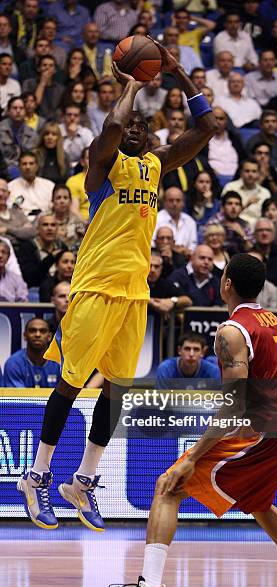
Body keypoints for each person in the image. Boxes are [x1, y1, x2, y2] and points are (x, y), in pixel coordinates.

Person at [17, 42, 218, 531]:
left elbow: (207, 128)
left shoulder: (155, 166)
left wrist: (178, 73)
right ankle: (36, 475)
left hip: (133, 294)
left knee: (118, 391)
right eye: (130, 123)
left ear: (149, 135)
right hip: (93, 288)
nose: (133, 128)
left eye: (141, 126)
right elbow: (109, 128)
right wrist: (133, 82)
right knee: (70, 383)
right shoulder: (101, 170)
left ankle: (82, 482)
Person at [100, 253, 277, 587]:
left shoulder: (232, 331)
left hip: (265, 431)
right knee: (258, 502)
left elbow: (233, 406)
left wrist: (192, 457)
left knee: (168, 485)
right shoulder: (274, 321)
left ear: (226, 284)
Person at [4, 317, 60, 388]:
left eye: (42, 331)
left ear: (49, 337)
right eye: (32, 331)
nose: (37, 335)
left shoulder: (59, 362)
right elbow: (18, 397)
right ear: (25, 336)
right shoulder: (14, 363)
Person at [16, 213, 68, 288]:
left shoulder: (62, 247)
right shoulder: (27, 247)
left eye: (53, 225)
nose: (49, 228)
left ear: (57, 229)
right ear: (37, 229)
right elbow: (30, 277)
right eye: (45, 225)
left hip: (62, 288)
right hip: (35, 289)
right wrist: (51, 257)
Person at [156, 332, 221, 390]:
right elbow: (162, 400)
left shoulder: (213, 371)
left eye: (196, 349)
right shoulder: (166, 369)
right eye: (187, 349)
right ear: (179, 350)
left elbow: (218, 400)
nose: (191, 354)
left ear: (202, 352)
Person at [222, 159, 271, 230]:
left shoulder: (265, 192)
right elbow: (223, 213)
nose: (250, 174)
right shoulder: (230, 187)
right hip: (233, 227)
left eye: (254, 171)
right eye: (247, 171)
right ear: (241, 172)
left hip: (258, 230)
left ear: (258, 174)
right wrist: (246, 205)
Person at [8, 151, 55, 221]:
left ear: (37, 166)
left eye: (31, 164)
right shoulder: (10, 187)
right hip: (21, 225)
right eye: (24, 164)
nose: (28, 167)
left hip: (46, 223)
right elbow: (10, 211)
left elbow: (55, 208)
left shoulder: (49, 185)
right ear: (19, 167)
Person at [0, 96, 39, 177]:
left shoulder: (32, 134)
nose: (18, 111)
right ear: (8, 111)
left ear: (25, 111)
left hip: (26, 171)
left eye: (21, 108)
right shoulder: (1, 129)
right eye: (15, 108)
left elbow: (33, 156)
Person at [153, 187, 198, 257]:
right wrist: (174, 250)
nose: (174, 203)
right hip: (160, 258)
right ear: (164, 202)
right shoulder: (156, 219)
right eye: (171, 200)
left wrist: (185, 251)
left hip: (185, 260)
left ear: (183, 202)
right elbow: (152, 243)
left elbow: (193, 246)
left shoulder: (190, 221)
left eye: (178, 200)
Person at [148, 251, 192, 317]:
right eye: (149, 266)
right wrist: (150, 302)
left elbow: (188, 300)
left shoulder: (165, 283)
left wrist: (172, 301)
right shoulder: (134, 282)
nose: (152, 270)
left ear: (161, 268)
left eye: (156, 267)